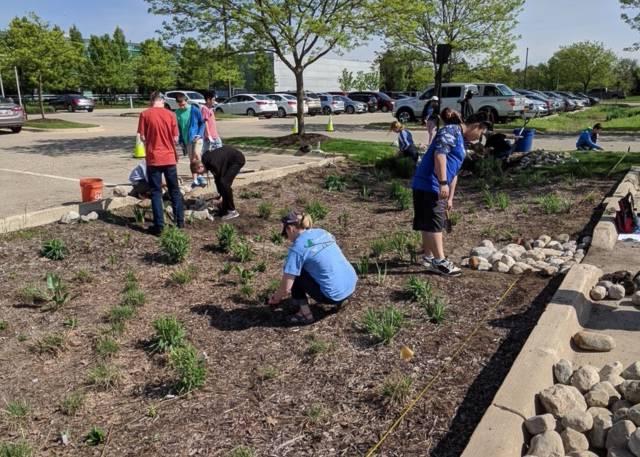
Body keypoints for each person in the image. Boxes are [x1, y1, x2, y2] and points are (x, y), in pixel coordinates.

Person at [412, 107, 489, 276]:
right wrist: (442, 183)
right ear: (476, 125)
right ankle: (440, 262)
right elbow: (439, 155)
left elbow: (454, 172)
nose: (479, 137)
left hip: (436, 185)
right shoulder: (451, 130)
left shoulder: (462, 140)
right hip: (429, 183)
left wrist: (450, 197)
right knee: (434, 223)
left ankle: (428, 256)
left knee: (428, 221)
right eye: (481, 132)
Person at [268, 212, 357, 325]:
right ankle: (343, 298)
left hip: (332, 296)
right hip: (352, 284)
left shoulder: (297, 249)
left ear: (290, 229)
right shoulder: (322, 232)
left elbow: (286, 288)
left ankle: (305, 314)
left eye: (285, 233)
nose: (287, 238)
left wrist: (275, 299)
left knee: (295, 273)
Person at [137, 91, 184, 235]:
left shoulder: (145, 114)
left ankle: (159, 226)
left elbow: (143, 137)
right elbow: (176, 138)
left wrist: (151, 140)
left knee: (156, 192)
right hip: (169, 158)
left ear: (151, 101)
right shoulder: (171, 115)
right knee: (174, 191)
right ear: (162, 101)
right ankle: (179, 222)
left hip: (154, 158)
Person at [190, 145, 246, 220]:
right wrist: (220, 194)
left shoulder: (212, 163)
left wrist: (222, 196)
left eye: (199, 172)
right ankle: (225, 209)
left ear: (200, 167)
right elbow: (217, 179)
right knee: (221, 183)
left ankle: (232, 211)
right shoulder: (207, 162)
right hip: (229, 160)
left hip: (237, 159)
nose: (201, 174)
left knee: (224, 183)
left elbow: (222, 180)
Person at [175, 93, 206, 187]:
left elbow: (202, 123)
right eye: (180, 105)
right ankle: (195, 179)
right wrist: (180, 140)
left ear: (186, 101)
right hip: (186, 139)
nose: (182, 106)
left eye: (183, 104)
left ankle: (201, 176)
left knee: (197, 153)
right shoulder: (177, 112)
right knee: (192, 160)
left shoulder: (194, 110)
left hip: (196, 137)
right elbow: (179, 127)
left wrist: (200, 134)